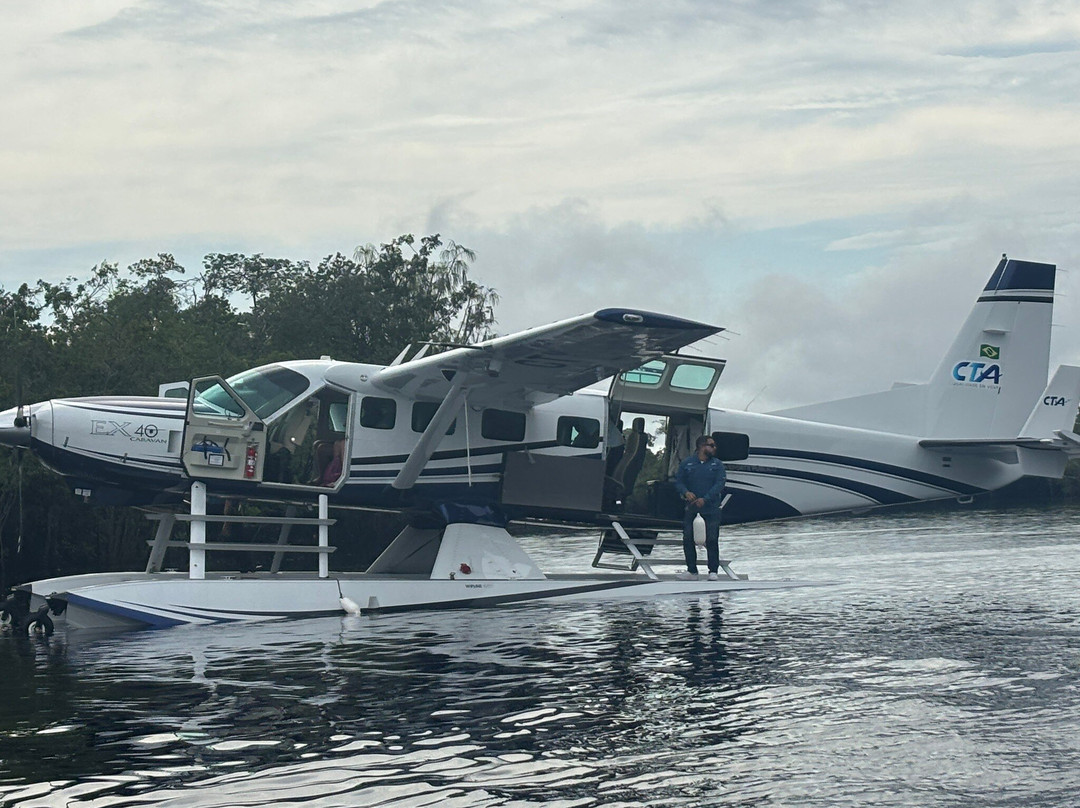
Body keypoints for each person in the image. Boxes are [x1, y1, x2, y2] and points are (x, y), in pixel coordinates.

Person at [673, 435, 726, 580]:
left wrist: (706, 498)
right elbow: (678, 482)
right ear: (702, 446)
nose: (714, 448)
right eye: (711, 445)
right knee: (688, 537)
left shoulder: (718, 465)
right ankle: (692, 571)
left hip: (711, 508)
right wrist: (686, 492)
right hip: (692, 507)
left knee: (712, 538)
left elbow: (719, 484)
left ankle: (713, 571)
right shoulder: (687, 463)